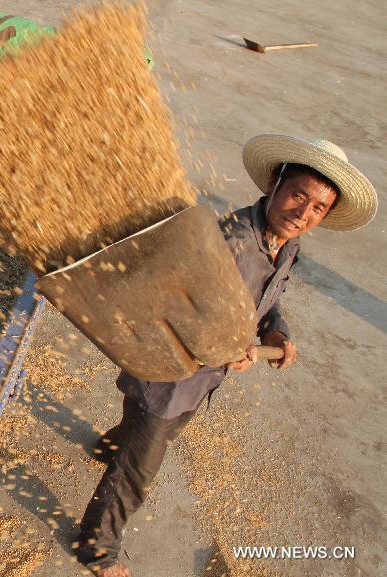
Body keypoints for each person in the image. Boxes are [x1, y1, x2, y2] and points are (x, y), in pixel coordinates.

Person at [75, 135, 378, 577]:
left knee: (149, 432)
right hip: (170, 372)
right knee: (140, 470)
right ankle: (96, 549)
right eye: (298, 196)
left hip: (201, 380)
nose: (302, 214)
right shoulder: (230, 242)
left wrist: (277, 329)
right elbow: (177, 310)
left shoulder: (284, 244)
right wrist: (229, 347)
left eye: (318, 209)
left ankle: (109, 447)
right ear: (274, 182)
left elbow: (270, 297)